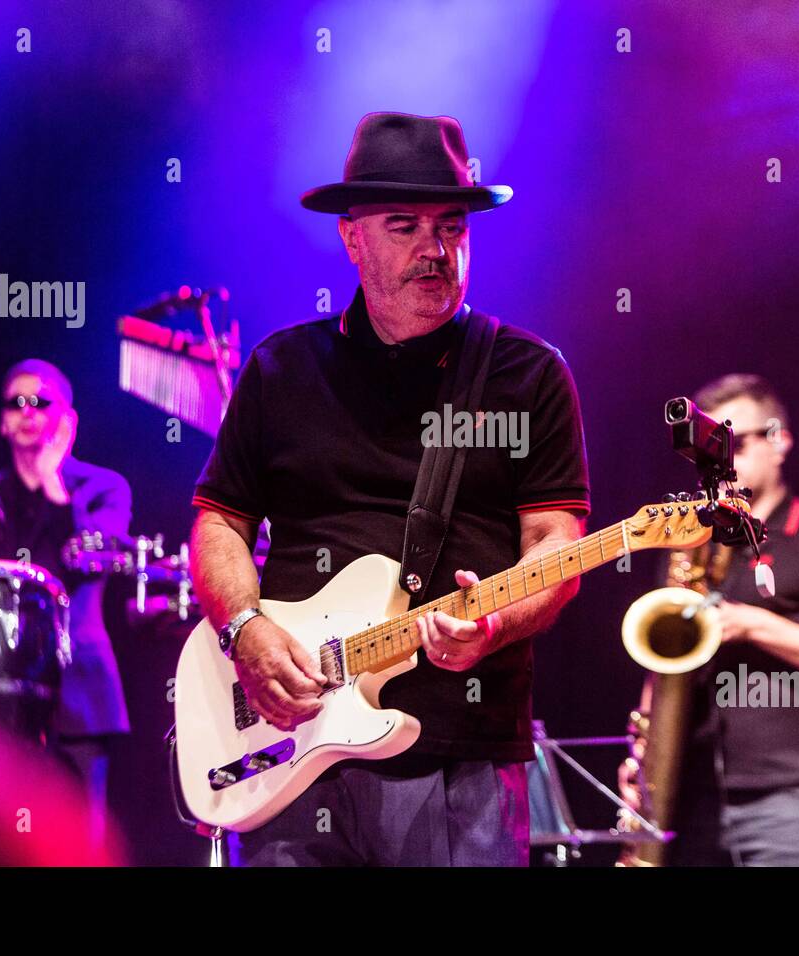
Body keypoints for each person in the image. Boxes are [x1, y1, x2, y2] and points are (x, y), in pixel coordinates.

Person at [189, 112, 592, 867]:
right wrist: (245, 630)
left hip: (457, 755)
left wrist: (494, 628)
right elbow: (219, 523)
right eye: (404, 226)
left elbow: (555, 547)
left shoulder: (528, 374)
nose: (435, 249)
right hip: (290, 750)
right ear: (351, 238)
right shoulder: (282, 370)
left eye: (451, 226)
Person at [620, 374, 799, 865]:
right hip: (686, 790)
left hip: (785, 790)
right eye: (708, 451)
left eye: (732, 443)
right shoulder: (693, 538)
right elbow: (663, 657)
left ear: (778, 441)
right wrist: (642, 757)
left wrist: (750, 624)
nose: (717, 462)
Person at [0, 358, 132, 845]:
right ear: (2, 420)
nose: (28, 411)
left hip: (79, 688)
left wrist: (55, 483)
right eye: (17, 401)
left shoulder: (103, 488)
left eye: (41, 401)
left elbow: (90, 559)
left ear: (67, 419)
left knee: (79, 840)